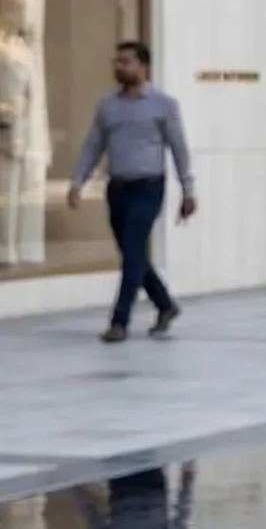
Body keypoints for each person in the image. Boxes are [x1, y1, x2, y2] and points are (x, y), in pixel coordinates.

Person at [66, 41, 195, 343]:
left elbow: (179, 148)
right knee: (132, 253)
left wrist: (187, 189)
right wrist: (77, 181)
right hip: (118, 188)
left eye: (126, 61)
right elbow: (93, 145)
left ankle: (119, 321)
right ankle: (165, 304)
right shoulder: (107, 106)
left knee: (133, 252)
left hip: (148, 187)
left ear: (143, 66)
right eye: (117, 61)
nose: (119, 67)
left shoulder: (164, 105)